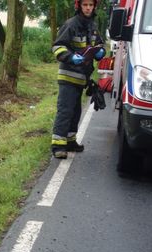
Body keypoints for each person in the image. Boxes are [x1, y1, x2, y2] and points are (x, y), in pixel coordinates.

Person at [50, 0, 105, 159]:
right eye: (85, 5)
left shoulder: (93, 26)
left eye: (91, 5)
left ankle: (70, 141)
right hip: (68, 75)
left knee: (75, 111)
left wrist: (100, 51)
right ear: (79, 6)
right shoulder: (71, 24)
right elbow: (57, 46)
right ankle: (58, 146)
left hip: (82, 77)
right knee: (65, 110)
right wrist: (70, 57)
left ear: (94, 6)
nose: (88, 8)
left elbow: (99, 43)